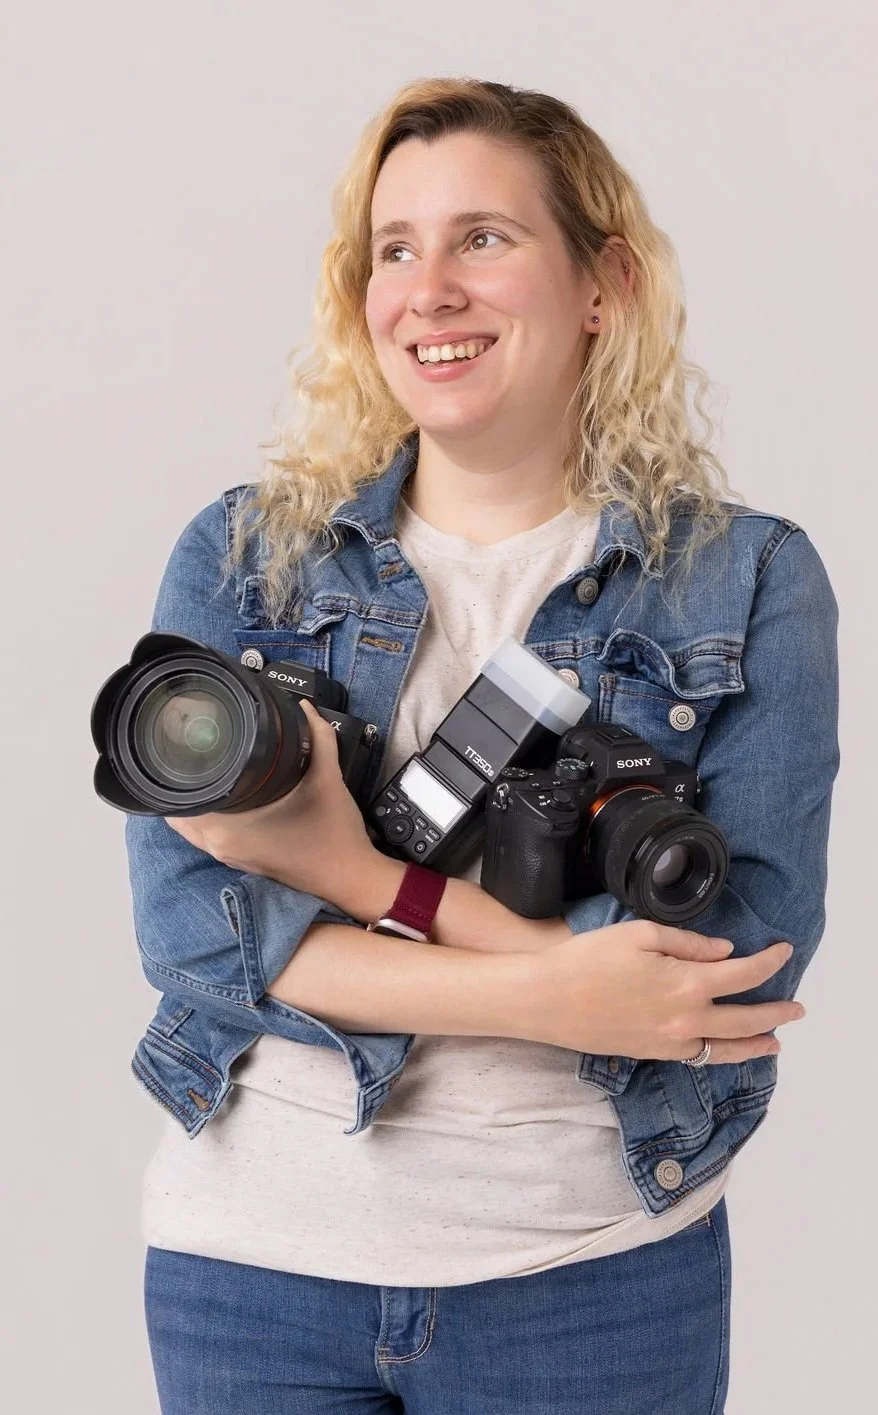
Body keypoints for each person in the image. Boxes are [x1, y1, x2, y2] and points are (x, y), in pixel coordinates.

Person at [126, 77, 839, 1414]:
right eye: (394, 249)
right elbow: (196, 941)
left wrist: (345, 876)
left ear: (601, 286)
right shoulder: (242, 560)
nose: (428, 289)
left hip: (591, 1276)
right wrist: (555, 984)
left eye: (482, 239)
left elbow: (732, 973)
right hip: (254, 1268)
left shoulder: (742, 582)